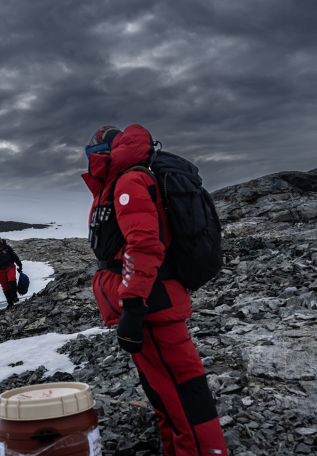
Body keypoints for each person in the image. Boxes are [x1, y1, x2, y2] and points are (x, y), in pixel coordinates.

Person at [82, 124, 228, 456]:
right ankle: (177, 447)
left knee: (181, 389)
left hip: (151, 306)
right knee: (163, 388)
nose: (89, 155)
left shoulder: (130, 181)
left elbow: (144, 246)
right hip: (152, 303)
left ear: (107, 152)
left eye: (93, 149)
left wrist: (133, 307)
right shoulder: (123, 182)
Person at [0, 235, 23, 309]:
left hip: (10, 267)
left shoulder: (7, 248)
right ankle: (10, 303)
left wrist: (19, 264)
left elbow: (14, 256)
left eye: (0, 245)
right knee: (5, 286)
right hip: (0, 271)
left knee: (12, 279)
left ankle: (14, 297)